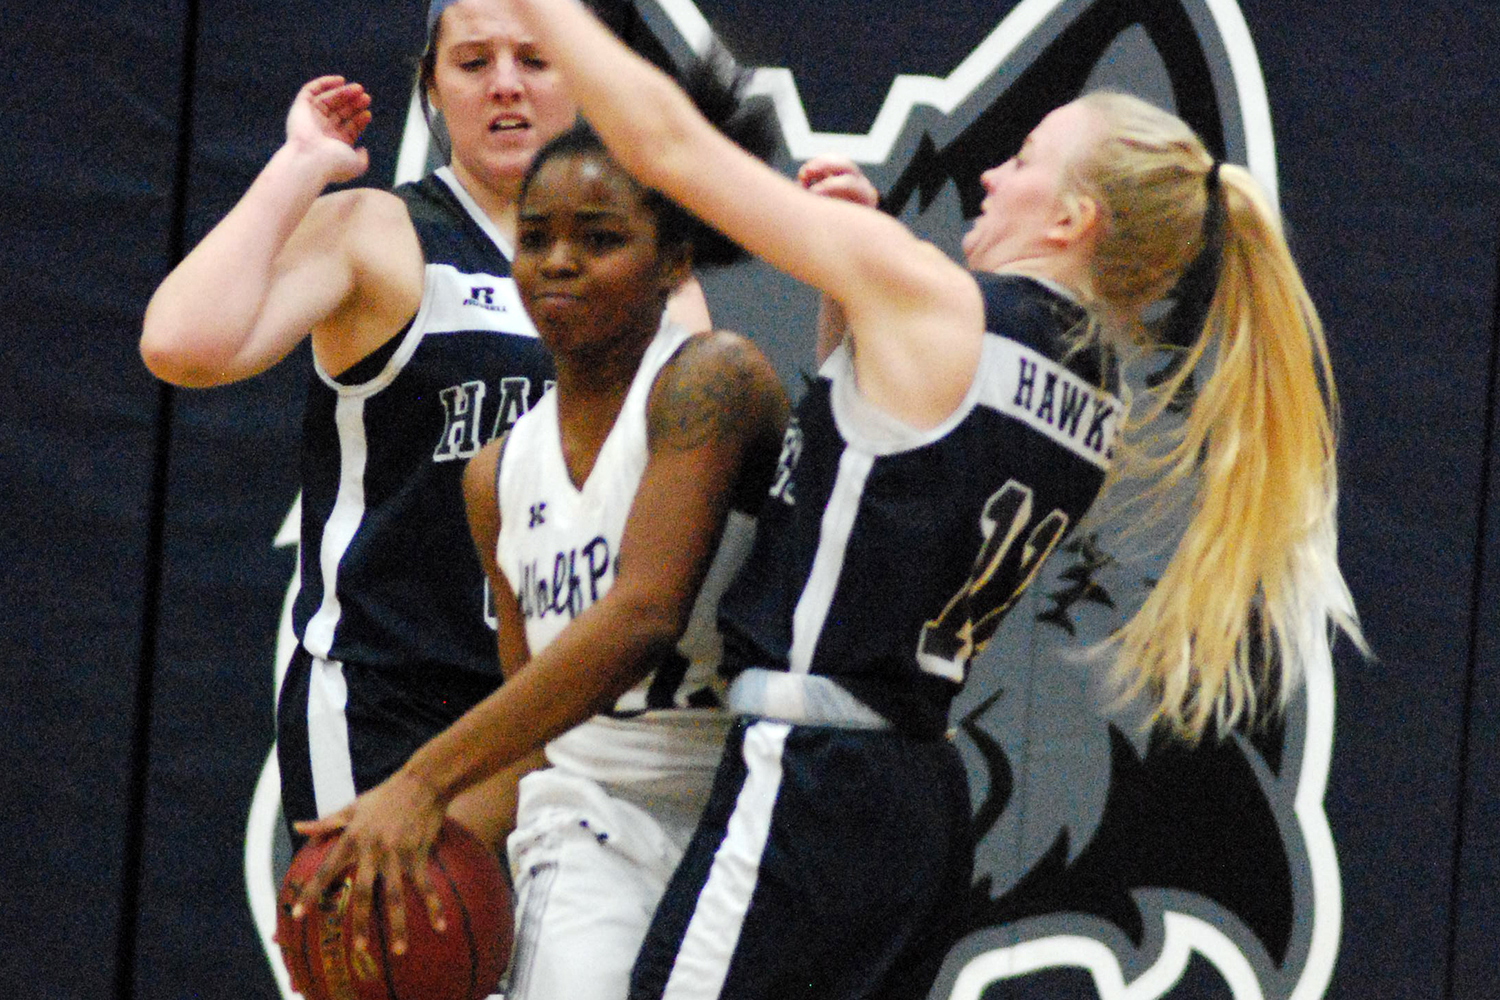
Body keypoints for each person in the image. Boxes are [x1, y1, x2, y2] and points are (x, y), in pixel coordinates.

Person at [489, 3, 1368, 999]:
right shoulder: (1095, 394)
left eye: (1026, 160)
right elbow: (863, 465)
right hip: (912, 800)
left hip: (812, 778)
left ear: (1072, 218)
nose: (992, 175)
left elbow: (665, 144)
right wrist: (851, 286)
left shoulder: (934, 305)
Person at [139, 0, 709, 854]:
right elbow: (181, 345)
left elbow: (695, 503)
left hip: (558, 702)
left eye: (536, 59)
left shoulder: (647, 276)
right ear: (434, 92)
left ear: (586, 81)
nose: (506, 85)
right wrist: (300, 168)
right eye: (474, 63)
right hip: (383, 697)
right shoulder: (380, 231)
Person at [289, 86, 788, 998]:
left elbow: (644, 616)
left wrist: (421, 783)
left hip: (749, 806)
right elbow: (537, 736)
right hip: (593, 823)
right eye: (535, 238)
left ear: (674, 261)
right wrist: (383, 865)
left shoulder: (714, 382)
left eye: (599, 239)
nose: (558, 263)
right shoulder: (496, 476)